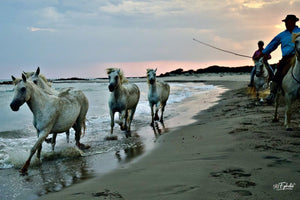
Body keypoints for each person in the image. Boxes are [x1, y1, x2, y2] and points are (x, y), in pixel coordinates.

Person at [260, 14, 300, 104]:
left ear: (294, 22)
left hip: (298, 56)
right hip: (286, 58)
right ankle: (272, 93)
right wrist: (263, 53)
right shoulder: (281, 35)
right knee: (278, 74)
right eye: (285, 22)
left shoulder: (299, 31)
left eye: (288, 22)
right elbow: (272, 45)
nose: (286, 24)